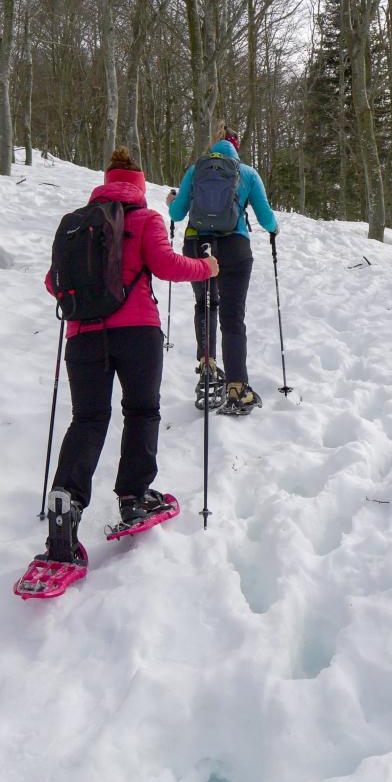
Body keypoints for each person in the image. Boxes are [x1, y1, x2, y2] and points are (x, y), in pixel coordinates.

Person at [38, 146, 219, 570]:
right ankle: (134, 497)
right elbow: (167, 265)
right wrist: (207, 268)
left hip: (83, 337)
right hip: (137, 332)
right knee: (141, 411)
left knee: (87, 420)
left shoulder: (76, 226)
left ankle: (66, 503)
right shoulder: (146, 218)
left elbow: (53, 283)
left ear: (104, 183)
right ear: (138, 185)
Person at [167, 126, 279, 415]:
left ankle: (207, 368)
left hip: (196, 244)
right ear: (236, 148)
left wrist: (174, 202)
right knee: (232, 316)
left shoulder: (196, 170)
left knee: (205, 304)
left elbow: (177, 213)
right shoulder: (247, 173)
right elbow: (266, 217)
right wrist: (273, 228)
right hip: (234, 248)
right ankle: (237, 387)